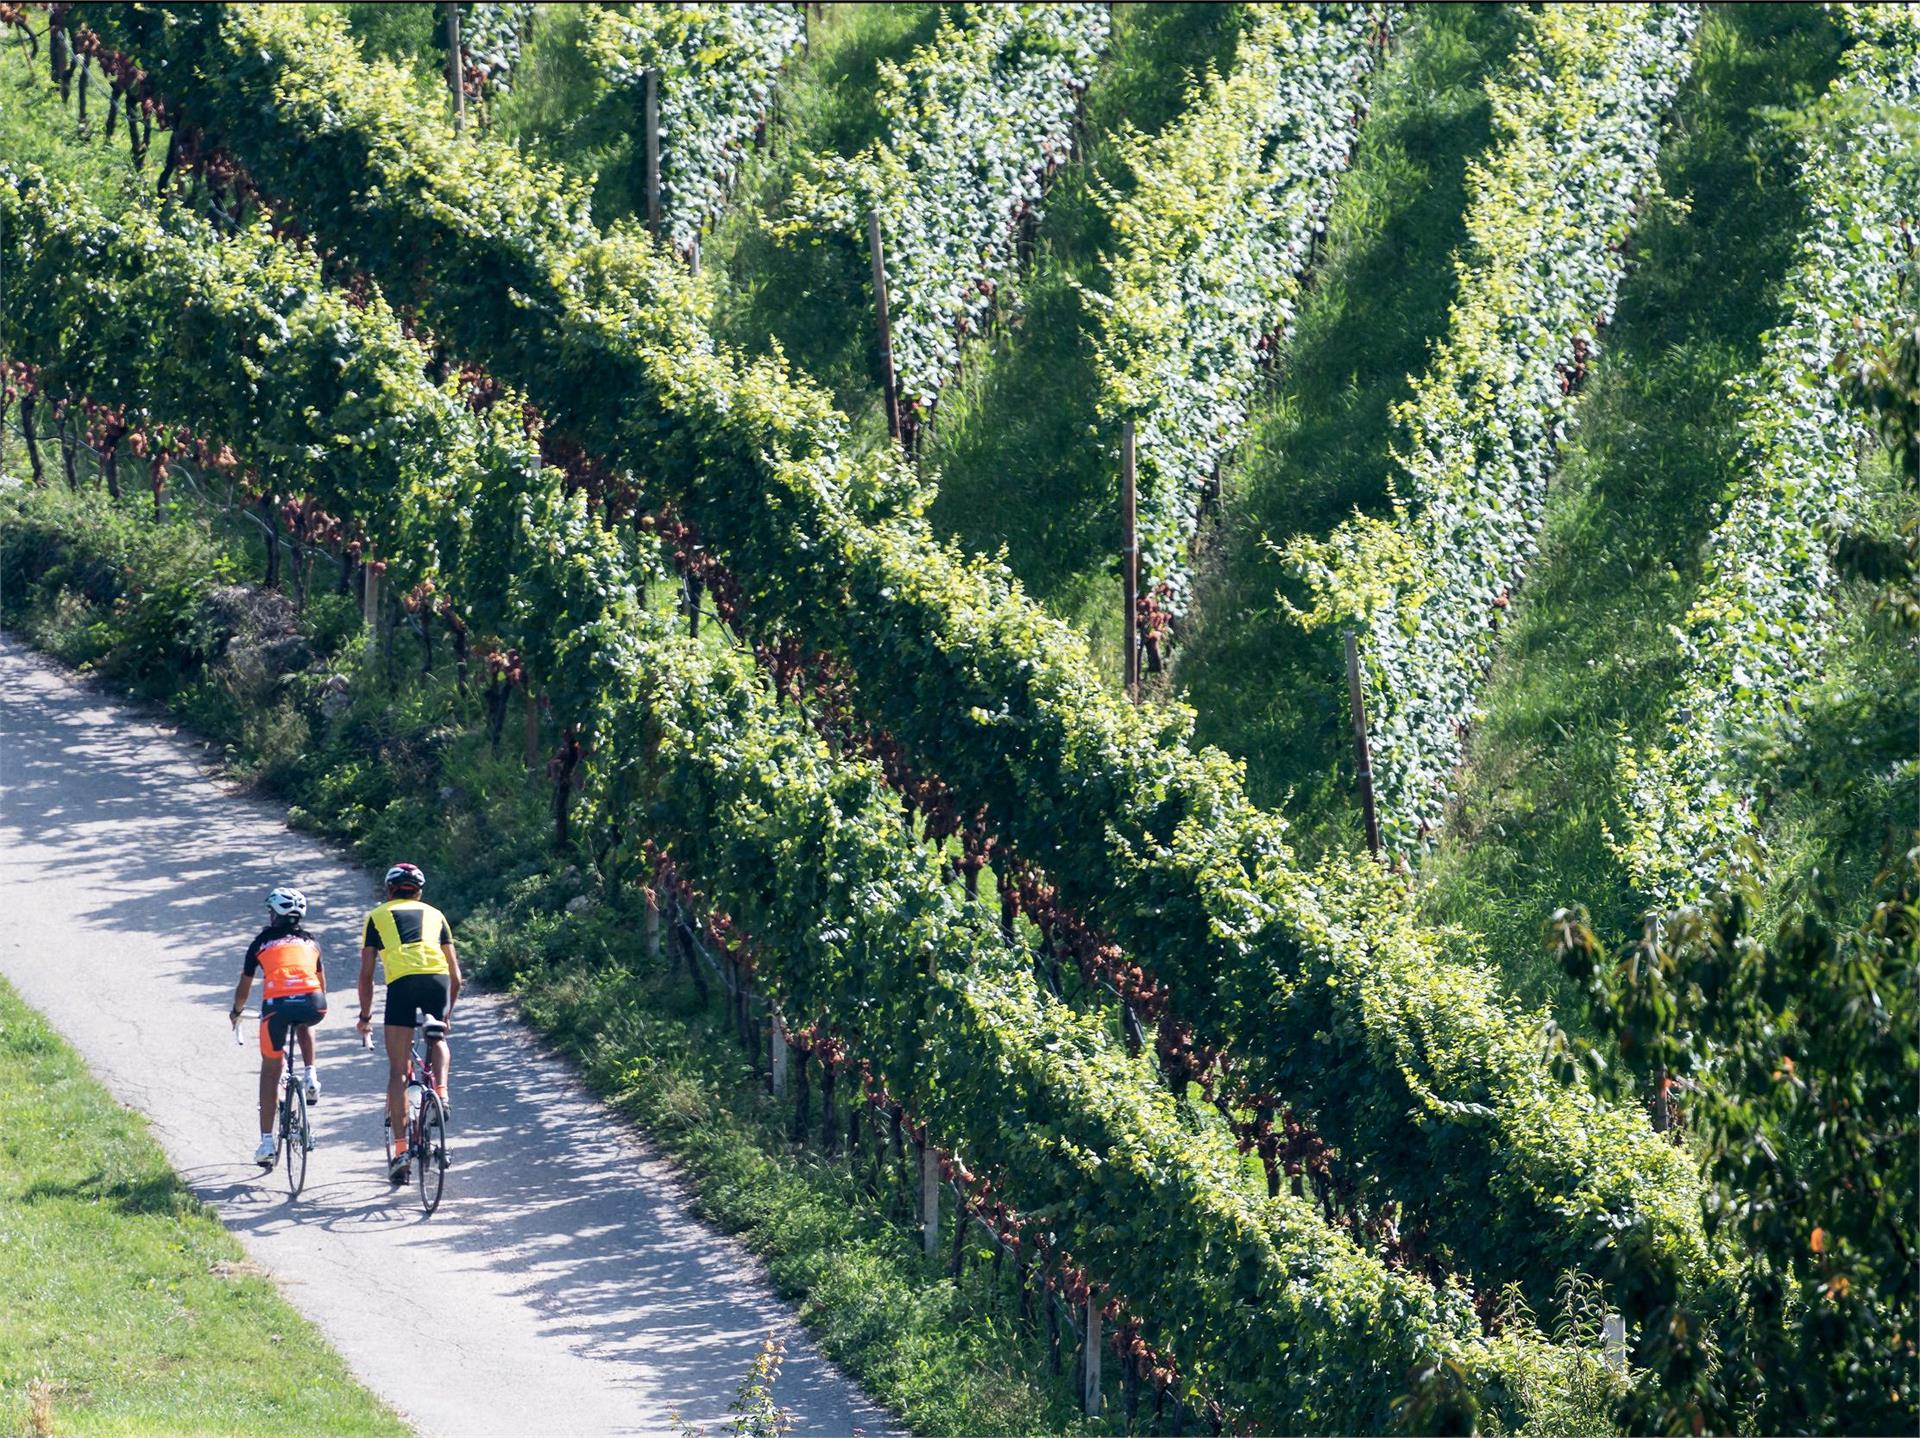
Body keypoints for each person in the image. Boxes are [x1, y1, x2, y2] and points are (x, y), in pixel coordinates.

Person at [356, 862, 462, 1184]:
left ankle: (401, 1152)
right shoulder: (437, 915)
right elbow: (456, 976)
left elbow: (366, 976)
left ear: (390, 891)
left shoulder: (376, 917)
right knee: (438, 1039)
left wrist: (365, 1017)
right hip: (437, 980)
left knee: (398, 1071)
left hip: (402, 984)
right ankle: (441, 1092)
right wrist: (445, 1016)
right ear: (419, 892)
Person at [229, 886, 328, 1167]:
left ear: (275, 914)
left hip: (277, 1007)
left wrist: (236, 1011)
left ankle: (266, 1144)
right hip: (314, 1002)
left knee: (270, 1072)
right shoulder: (312, 943)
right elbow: (321, 984)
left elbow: (244, 988)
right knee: (305, 1019)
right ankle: (311, 1077)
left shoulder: (261, 943)